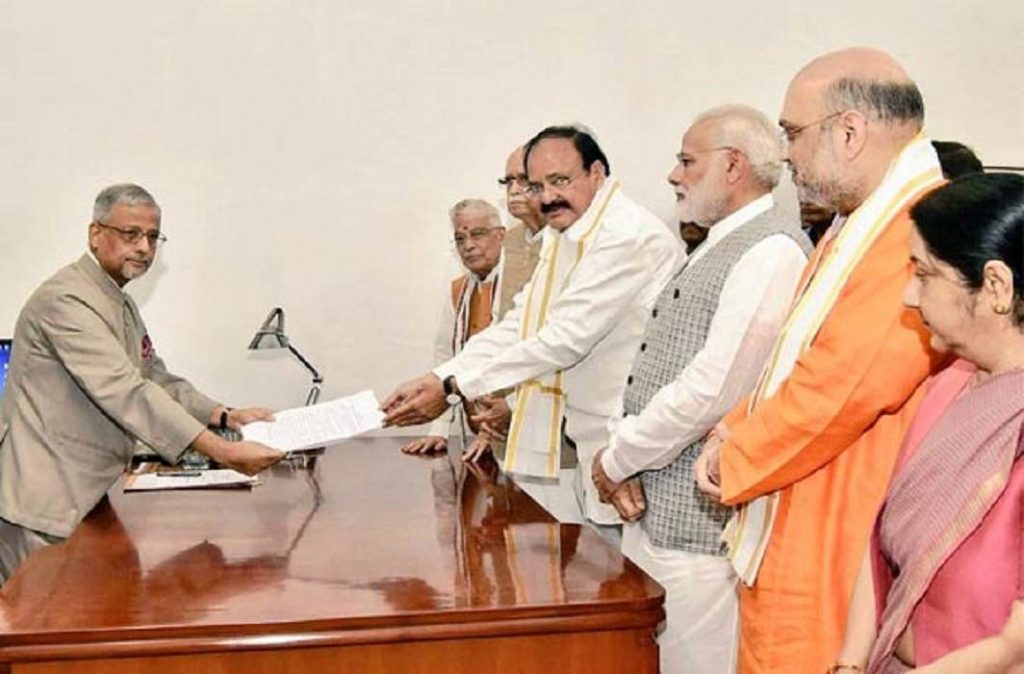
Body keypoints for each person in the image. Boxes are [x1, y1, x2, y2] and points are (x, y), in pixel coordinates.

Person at [693, 47, 947, 673]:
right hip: (803, 489)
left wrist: (735, 454)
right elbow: (792, 358)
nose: (787, 155)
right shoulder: (858, 223)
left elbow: (843, 382)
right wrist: (733, 426)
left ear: (849, 131)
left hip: (839, 513)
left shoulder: (913, 228)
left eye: (793, 133)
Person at [591, 105, 811, 674]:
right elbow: (658, 364)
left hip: (701, 528)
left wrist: (617, 458)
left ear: (733, 165)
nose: (674, 175)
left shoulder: (771, 250)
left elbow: (714, 389)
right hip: (657, 508)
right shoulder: (722, 242)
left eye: (688, 161)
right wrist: (624, 457)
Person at [382, 125, 680, 528]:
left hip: (635, 449)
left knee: (628, 564)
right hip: (593, 439)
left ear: (596, 173)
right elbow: (521, 322)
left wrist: (453, 388)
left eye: (560, 180)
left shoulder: (626, 235)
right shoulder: (567, 233)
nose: (547, 197)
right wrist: (440, 377)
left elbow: (564, 339)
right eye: (537, 186)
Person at [0, 183, 283, 584]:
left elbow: (154, 377)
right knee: (51, 622)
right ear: (95, 234)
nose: (144, 248)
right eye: (131, 234)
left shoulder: (117, 300)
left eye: (153, 237)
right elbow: (127, 391)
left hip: (87, 495)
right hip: (45, 505)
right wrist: (222, 452)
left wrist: (225, 415)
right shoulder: (66, 300)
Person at [832, 173, 1024, 674]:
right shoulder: (948, 386)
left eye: (925, 273)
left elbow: (1015, 650)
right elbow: (882, 547)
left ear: (996, 286)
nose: (909, 296)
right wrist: (849, 664)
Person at [399, 199, 506, 459]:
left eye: (478, 234)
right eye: (460, 238)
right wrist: (439, 429)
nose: (468, 246)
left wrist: (489, 432)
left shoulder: (519, 285)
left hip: (515, 433)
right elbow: (446, 358)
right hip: (475, 434)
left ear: (501, 235)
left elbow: (514, 361)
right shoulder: (459, 290)